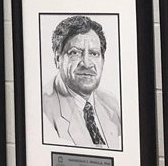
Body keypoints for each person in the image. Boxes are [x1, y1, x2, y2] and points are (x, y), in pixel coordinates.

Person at [42, 15, 121, 149]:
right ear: (57, 58)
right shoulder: (42, 109)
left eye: (94, 53)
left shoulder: (111, 103)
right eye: (75, 53)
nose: (87, 63)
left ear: (103, 60)